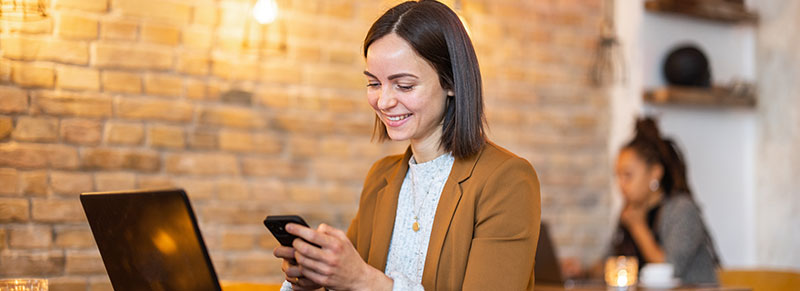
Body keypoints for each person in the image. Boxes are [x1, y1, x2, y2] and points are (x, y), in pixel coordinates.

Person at [272, 1, 541, 290]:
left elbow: (361, 281)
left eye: (404, 85)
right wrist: (319, 280)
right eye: (374, 84)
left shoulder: (506, 180)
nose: (384, 101)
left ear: (451, 82)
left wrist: (364, 280)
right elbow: (351, 282)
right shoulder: (381, 178)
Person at [564, 117, 720, 284]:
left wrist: (638, 227)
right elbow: (612, 262)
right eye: (618, 176)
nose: (621, 184)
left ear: (655, 173)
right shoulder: (630, 212)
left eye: (628, 175)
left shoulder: (682, 210)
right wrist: (584, 271)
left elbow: (670, 269)